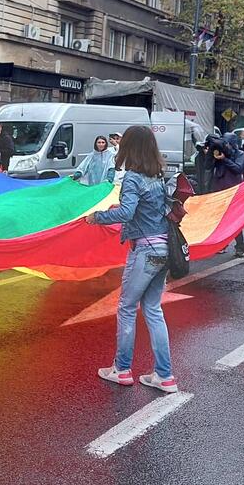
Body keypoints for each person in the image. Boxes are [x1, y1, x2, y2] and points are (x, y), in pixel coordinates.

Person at [86, 125, 178, 393]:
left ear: (129, 147)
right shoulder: (158, 176)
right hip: (163, 250)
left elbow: (127, 212)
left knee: (127, 308)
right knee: (152, 309)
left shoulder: (134, 178)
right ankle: (165, 375)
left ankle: (122, 369)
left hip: (144, 251)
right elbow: (148, 210)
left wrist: (97, 217)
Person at [210, 132, 244, 254]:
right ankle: (222, 244)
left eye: (227, 144)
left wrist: (225, 159)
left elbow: (238, 169)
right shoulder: (219, 152)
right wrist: (208, 155)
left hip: (233, 190)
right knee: (220, 219)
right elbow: (207, 167)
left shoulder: (240, 154)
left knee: (234, 219)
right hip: (219, 189)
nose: (226, 147)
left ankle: (240, 246)